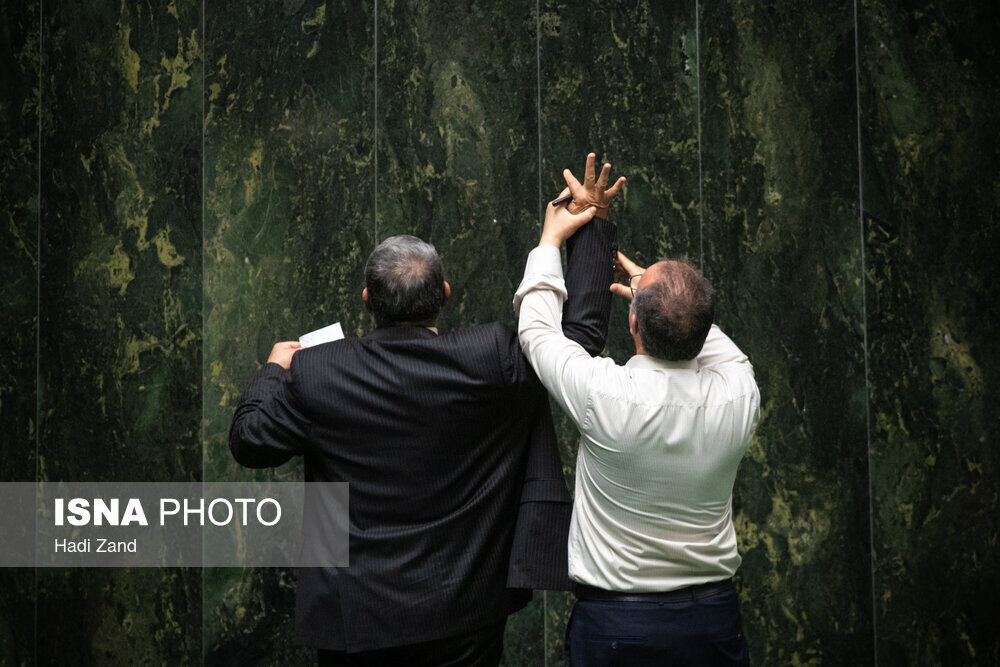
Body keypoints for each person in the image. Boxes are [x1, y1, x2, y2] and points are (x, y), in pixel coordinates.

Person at [228, 155, 624, 666]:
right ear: (444, 295)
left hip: (357, 622)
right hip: (465, 615)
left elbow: (251, 441)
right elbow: (578, 339)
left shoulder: (317, 372)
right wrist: (590, 222)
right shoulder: (493, 358)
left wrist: (274, 369)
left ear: (367, 300)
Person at [514, 193, 761, 665]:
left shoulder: (604, 395)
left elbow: (538, 333)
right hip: (711, 622)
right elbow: (708, 338)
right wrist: (666, 298)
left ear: (632, 324)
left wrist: (550, 241)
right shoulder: (740, 394)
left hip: (615, 627)